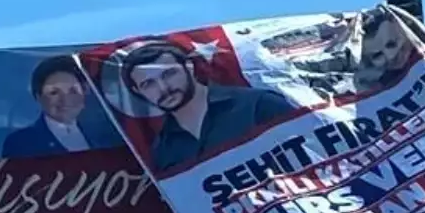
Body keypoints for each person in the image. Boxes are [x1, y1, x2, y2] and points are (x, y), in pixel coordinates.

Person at [115, 39, 297, 174]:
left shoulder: (259, 105)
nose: (164, 88)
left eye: (169, 74)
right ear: (138, 91)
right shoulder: (163, 151)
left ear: (189, 66)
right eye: (149, 84)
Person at [1, 55, 120, 158]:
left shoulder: (104, 135)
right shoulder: (21, 142)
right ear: (38, 97)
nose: (65, 100)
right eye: (54, 92)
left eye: (73, 91)